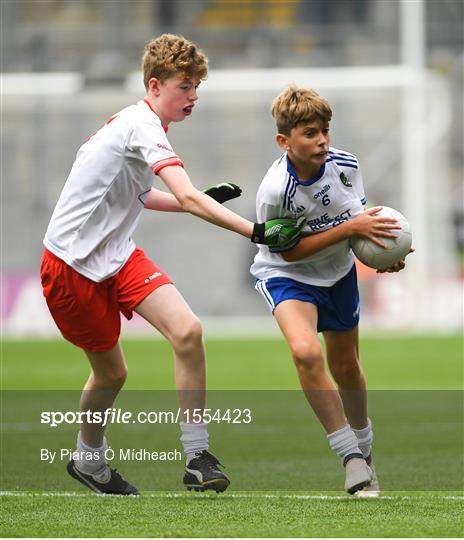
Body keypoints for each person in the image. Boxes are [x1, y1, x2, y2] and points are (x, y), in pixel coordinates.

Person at [40, 34, 304, 496]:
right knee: (112, 374)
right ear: (155, 84)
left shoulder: (146, 125)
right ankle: (89, 460)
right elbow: (183, 192)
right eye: (185, 86)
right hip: (71, 266)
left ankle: (198, 456)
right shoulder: (141, 126)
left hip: (117, 253)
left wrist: (195, 201)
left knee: (188, 331)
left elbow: (140, 195)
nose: (194, 96)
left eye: (197, 86)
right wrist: (255, 231)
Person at [251, 86, 411, 495]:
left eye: (324, 130)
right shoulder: (275, 192)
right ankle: (350, 458)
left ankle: (366, 450)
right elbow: (287, 255)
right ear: (284, 141)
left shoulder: (347, 164)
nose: (321, 140)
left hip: (338, 274)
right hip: (288, 276)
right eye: (309, 133)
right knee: (305, 353)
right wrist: (351, 229)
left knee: (346, 368)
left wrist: (381, 254)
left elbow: (357, 224)